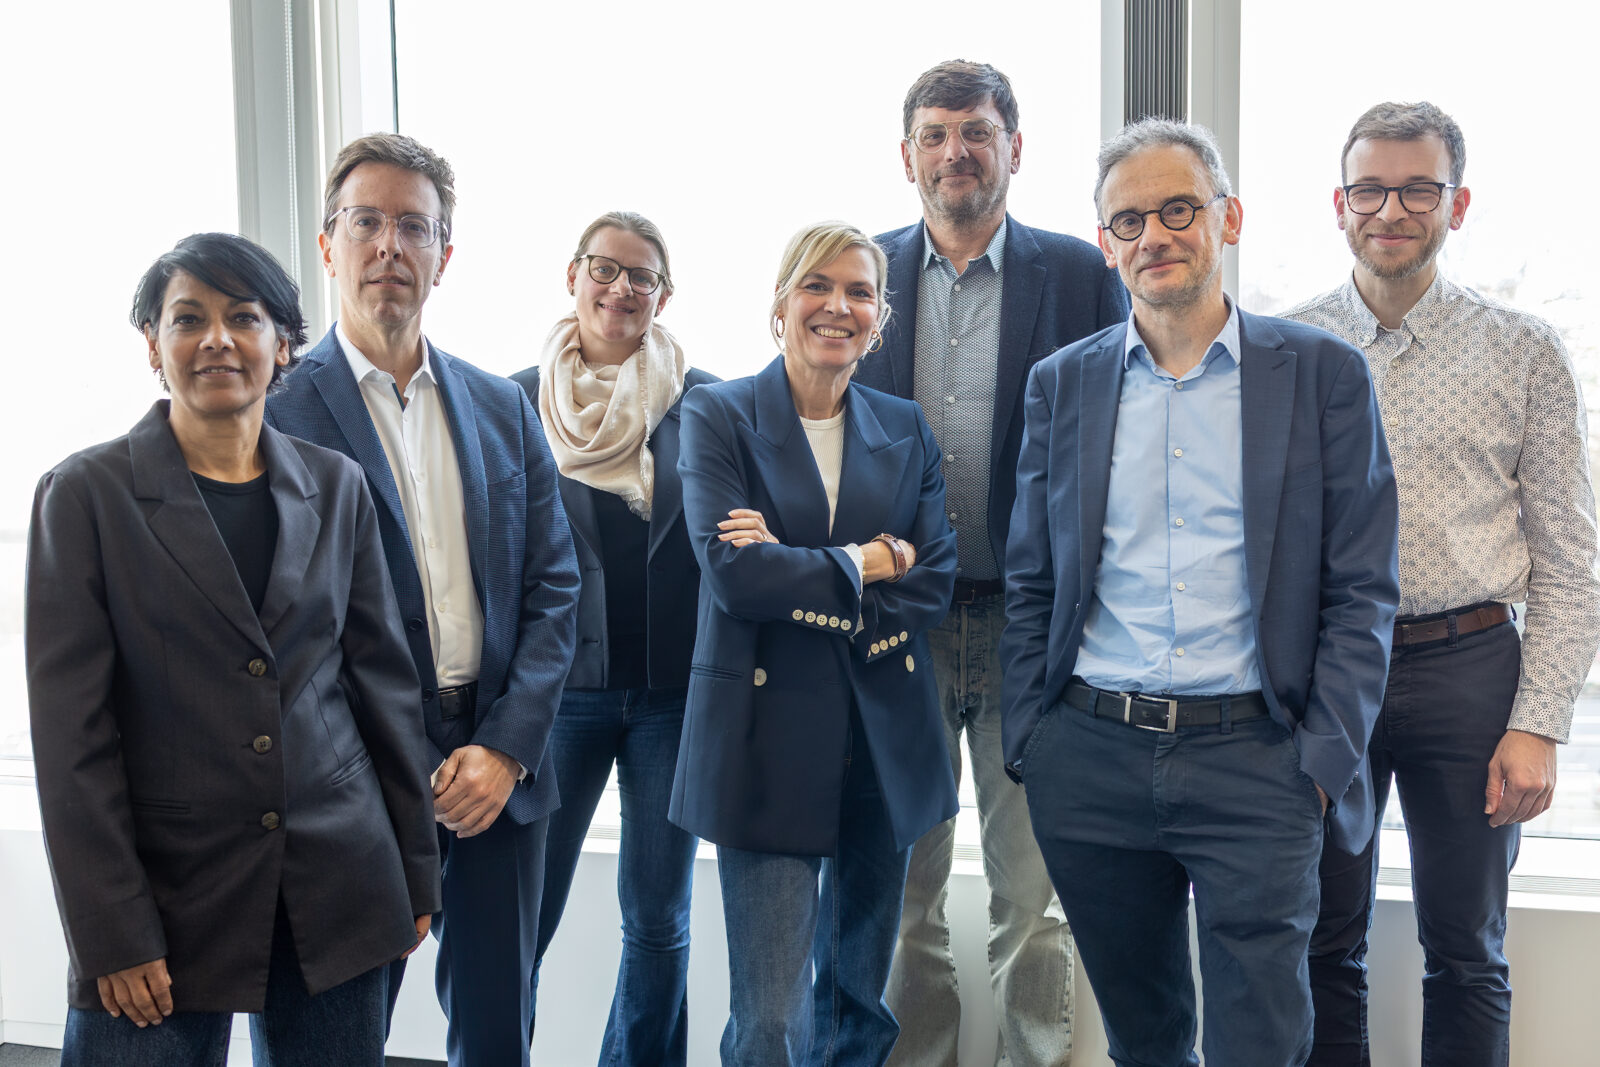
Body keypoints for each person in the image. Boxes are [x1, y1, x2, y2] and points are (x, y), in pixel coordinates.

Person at [1000, 118, 1401, 1067]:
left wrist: (1317, 763)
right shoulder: (1062, 384)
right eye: (1129, 220)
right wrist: (1034, 741)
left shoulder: (1323, 375)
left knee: (1261, 1041)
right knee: (1144, 1041)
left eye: (1179, 209)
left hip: (1258, 762)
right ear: (1106, 242)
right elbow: (1033, 576)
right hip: (1090, 759)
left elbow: (1362, 589)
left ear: (1229, 218)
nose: (1155, 236)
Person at [26, 232, 440, 1065]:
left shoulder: (337, 484)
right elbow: (72, 742)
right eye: (189, 319)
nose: (217, 338)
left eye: (243, 317)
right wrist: (110, 929)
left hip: (340, 876)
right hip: (164, 892)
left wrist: (414, 869)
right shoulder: (85, 496)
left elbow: (383, 689)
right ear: (153, 345)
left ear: (282, 343)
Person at [1280, 101, 1600, 1067]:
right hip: (1328, 670)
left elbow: (1572, 559)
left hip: (1471, 672)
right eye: (1370, 190)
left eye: (1419, 189)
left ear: (1457, 205)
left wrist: (1539, 723)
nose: (1392, 210)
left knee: (1467, 950)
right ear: (1339, 204)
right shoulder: (1285, 349)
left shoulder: (1525, 350)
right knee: (1320, 938)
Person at [264, 133, 581, 1067]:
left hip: (497, 771)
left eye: (414, 226)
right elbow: (280, 630)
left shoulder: (502, 405)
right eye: (366, 221)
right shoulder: (276, 414)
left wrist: (507, 748)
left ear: (445, 254)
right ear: (328, 245)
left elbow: (556, 585)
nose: (389, 246)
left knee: (497, 1034)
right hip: (352, 778)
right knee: (334, 1036)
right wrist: (410, 762)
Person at [854, 59, 1128, 1066]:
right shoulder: (861, 274)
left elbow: (1121, 436)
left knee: (1034, 894)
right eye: (935, 134)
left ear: (1015, 147)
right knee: (901, 887)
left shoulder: (1083, 276)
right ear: (907, 156)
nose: (956, 151)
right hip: (902, 623)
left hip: (1031, 627)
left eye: (976, 131)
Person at [671, 221, 959, 1066]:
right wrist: (870, 559)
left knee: (856, 1004)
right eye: (817, 285)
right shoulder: (717, 413)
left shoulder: (905, 426)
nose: (838, 305)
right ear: (780, 304)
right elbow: (737, 578)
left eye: (860, 292)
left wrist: (797, 564)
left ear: (880, 319)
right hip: (765, 738)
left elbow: (935, 577)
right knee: (768, 1019)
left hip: (884, 738)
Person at [510, 211, 716, 1066]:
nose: (622, 288)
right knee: (522, 914)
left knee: (659, 916)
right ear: (574, 275)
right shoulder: (515, 401)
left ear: (664, 295)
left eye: (643, 276)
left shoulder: (706, 402)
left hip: (672, 696)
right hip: (557, 698)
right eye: (606, 268)